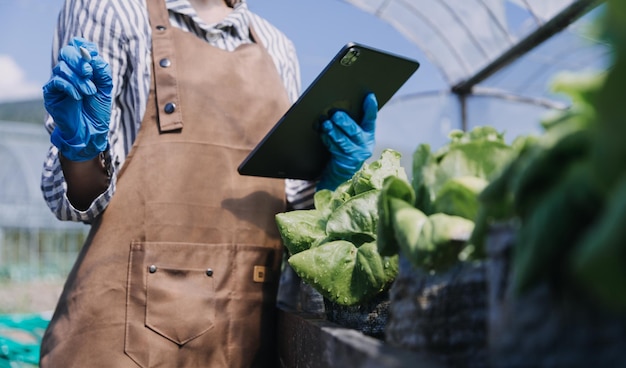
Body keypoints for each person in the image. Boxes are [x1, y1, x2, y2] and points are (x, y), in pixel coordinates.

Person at [39, 0, 378, 366]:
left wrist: (331, 183)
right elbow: (71, 201)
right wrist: (80, 153)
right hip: (123, 340)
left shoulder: (277, 46)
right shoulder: (113, 10)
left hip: (245, 341)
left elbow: (290, 211)